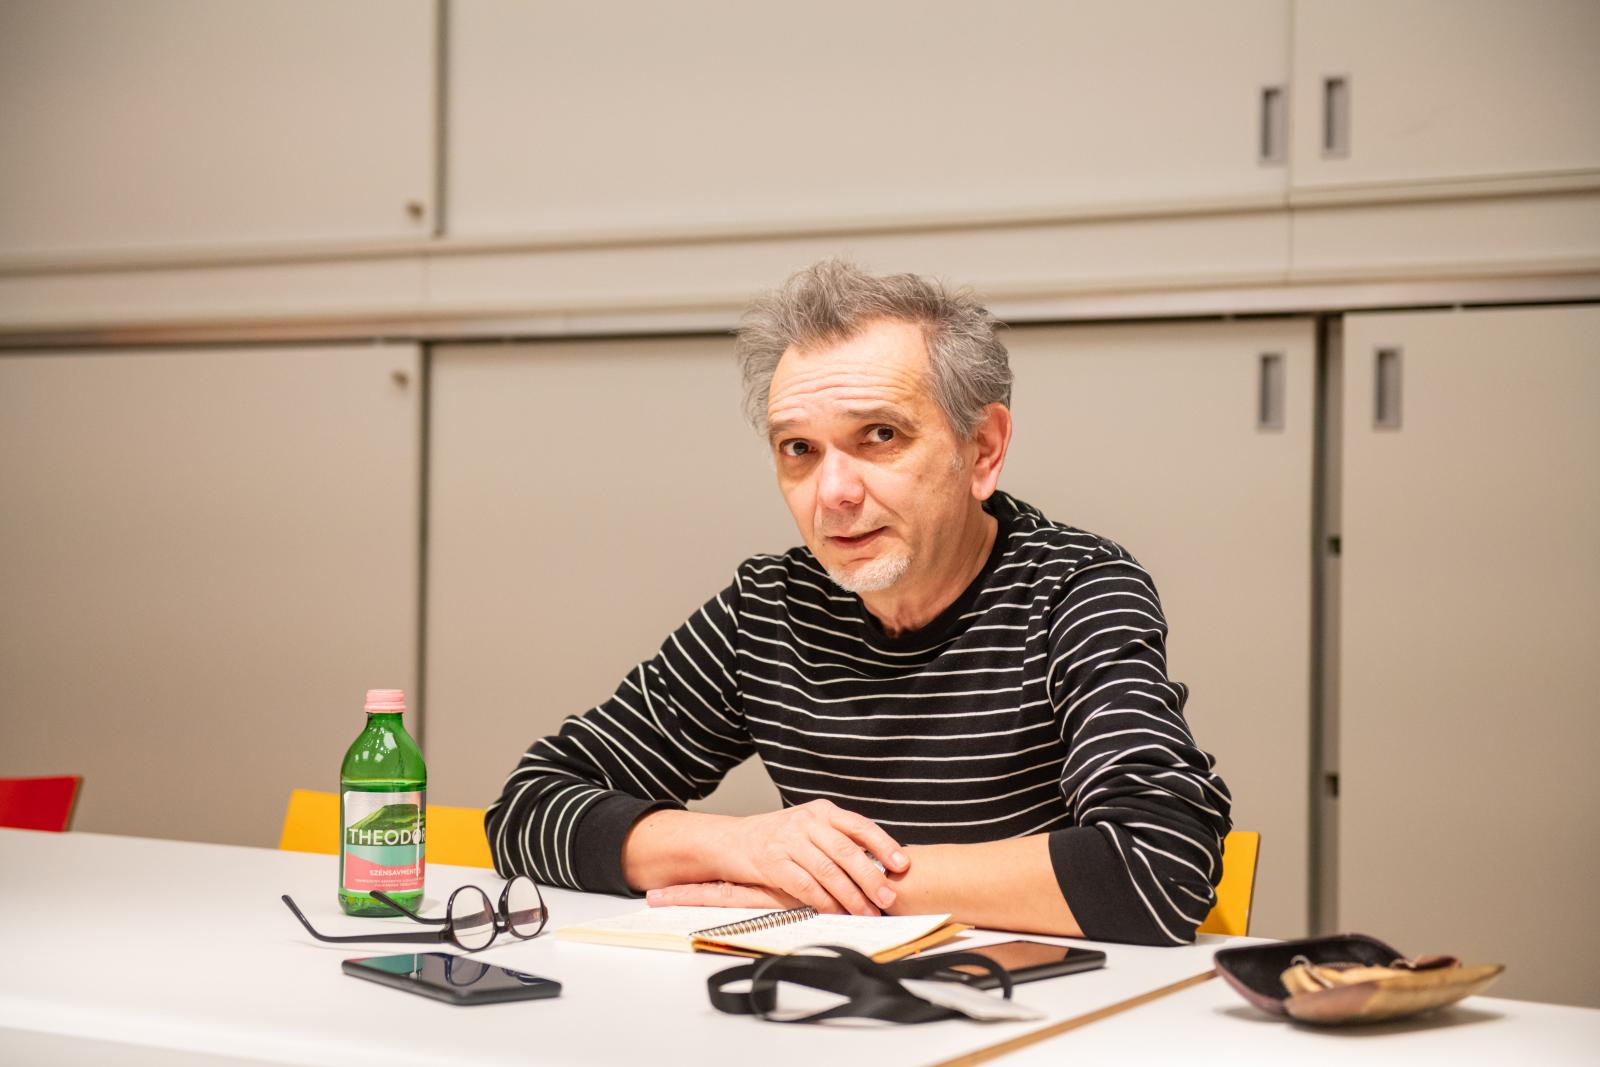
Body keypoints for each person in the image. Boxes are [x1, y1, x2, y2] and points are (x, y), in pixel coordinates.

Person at [485, 259, 1231, 945]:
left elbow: (1160, 865)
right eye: (799, 449)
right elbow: (527, 809)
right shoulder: (769, 609)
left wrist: (829, 887)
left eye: (879, 435)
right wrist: (739, 845)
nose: (834, 494)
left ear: (982, 450)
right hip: (821, 1005)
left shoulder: (1076, 588)